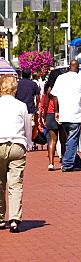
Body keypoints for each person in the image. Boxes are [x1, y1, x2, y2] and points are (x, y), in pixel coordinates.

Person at [0, 73, 32, 232]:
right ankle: (14, 219)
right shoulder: (21, 105)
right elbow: (27, 127)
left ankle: (0, 218)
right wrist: (29, 143)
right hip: (17, 144)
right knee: (15, 184)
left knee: (0, 184)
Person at [51, 59, 81, 171]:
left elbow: (54, 95)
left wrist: (56, 111)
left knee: (70, 139)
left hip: (64, 114)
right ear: (78, 68)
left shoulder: (60, 78)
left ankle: (77, 162)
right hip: (75, 114)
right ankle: (67, 164)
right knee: (72, 140)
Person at [41, 66, 66, 170]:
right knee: (63, 139)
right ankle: (64, 161)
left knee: (52, 140)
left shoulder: (48, 88)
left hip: (50, 113)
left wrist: (44, 115)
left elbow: (45, 104)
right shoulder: (62, 87)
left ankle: (51, 163)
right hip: (62, 113)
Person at [16, 69, 41, 151]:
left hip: (18, 108)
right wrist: (37, 106)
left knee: (20, 126)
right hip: (29, 108)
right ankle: (30, 143)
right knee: (30, 127)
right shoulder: (33, 84)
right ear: (30, 75)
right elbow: (37, 96)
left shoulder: (17, 83)